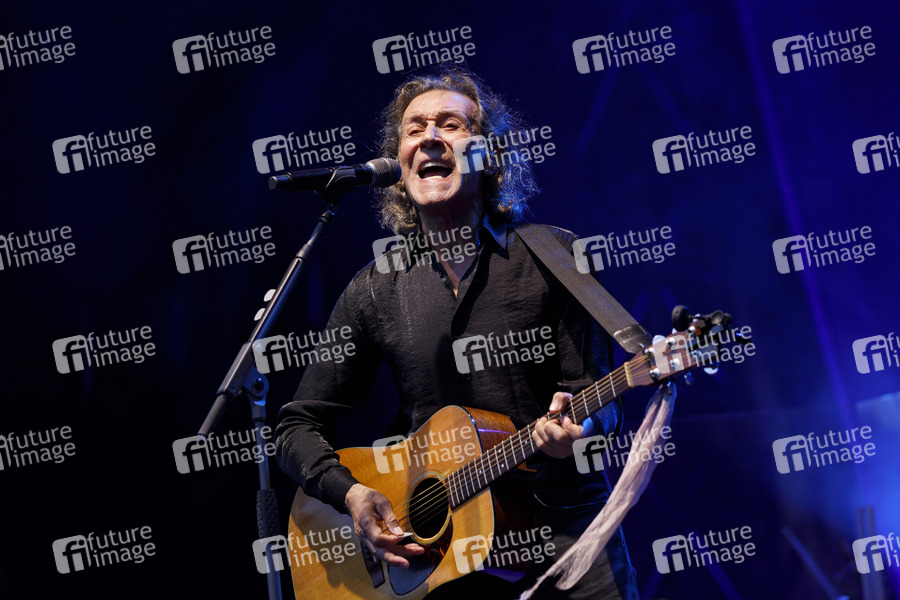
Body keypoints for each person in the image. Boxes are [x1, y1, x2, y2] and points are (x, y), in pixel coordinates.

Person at [275, 67, 638, 599]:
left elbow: (602, 400)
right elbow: (296, 425)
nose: (429, 137)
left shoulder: (556, 256)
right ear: (399, 165)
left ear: (488, 156)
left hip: (569, 539)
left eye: (450, 124)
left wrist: (579, 429)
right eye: (414, 128)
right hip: (440, 564)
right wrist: (350, 495)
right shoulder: (374, 287)